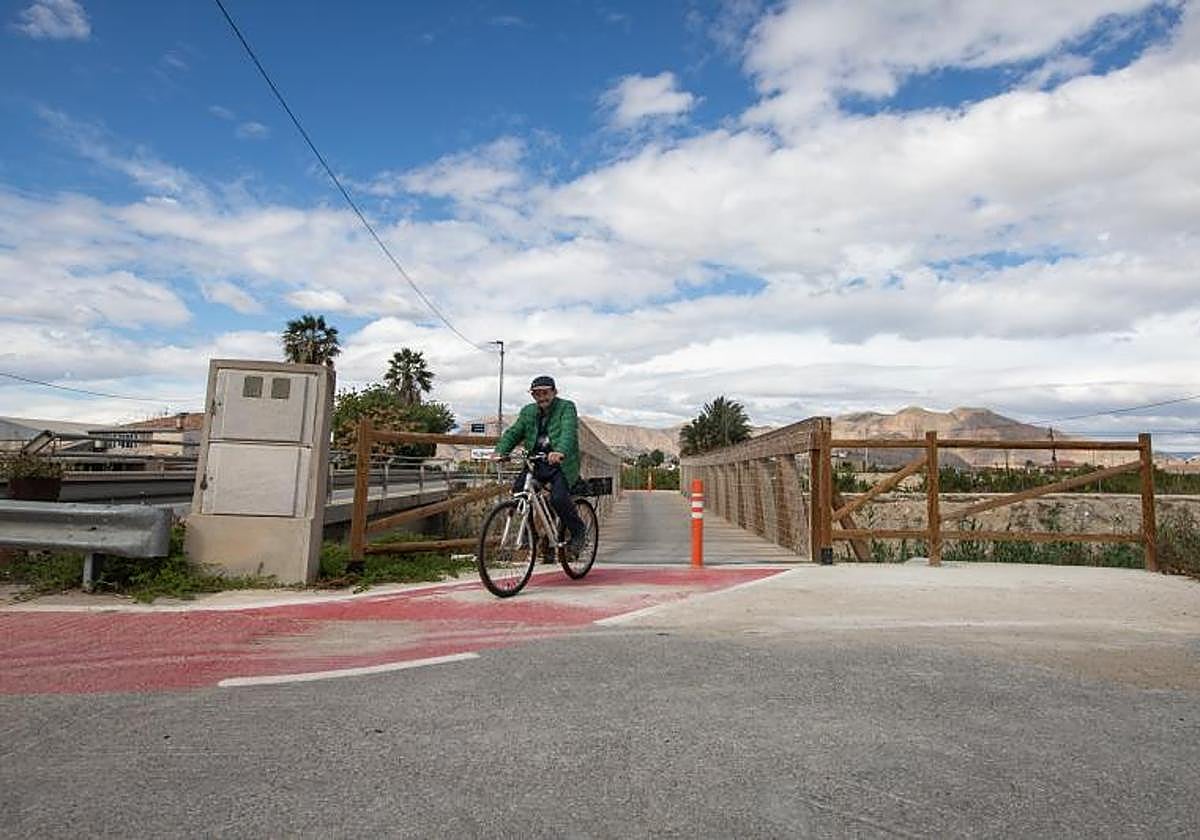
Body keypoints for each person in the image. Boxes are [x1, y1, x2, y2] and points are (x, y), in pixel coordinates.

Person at [496, 375, 587, 556]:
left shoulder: (566, 408)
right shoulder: (528, 411)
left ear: (554, 392)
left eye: (545, 392)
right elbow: (514, 432)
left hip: (559, 464)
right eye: (537, 394)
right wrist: (501, 451)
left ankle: (578, 532)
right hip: (535, 463)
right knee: (519, 494)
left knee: (558, 499)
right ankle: (532, 535)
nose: (542, 397)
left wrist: (559, 451)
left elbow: (568, 432)